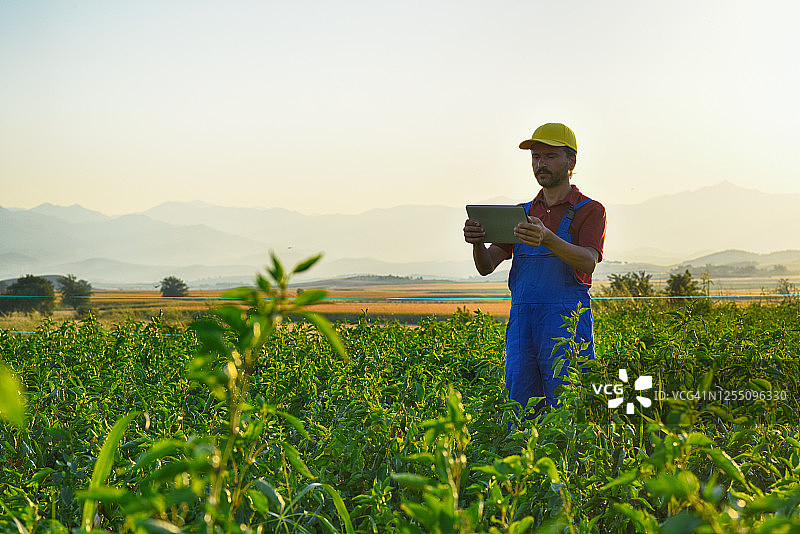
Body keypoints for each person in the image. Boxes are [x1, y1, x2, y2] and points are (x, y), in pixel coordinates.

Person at [463, 123, 606, 414]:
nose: (540, 164)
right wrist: (477, 242)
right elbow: (487, 266)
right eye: (536, 157)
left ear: (571, 161)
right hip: (522, 326)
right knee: (520, 406)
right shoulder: (522, 212)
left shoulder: (591, 210)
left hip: (566, 324)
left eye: (549, 157)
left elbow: (588, 260)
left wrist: (548, 239)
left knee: (568, 406)